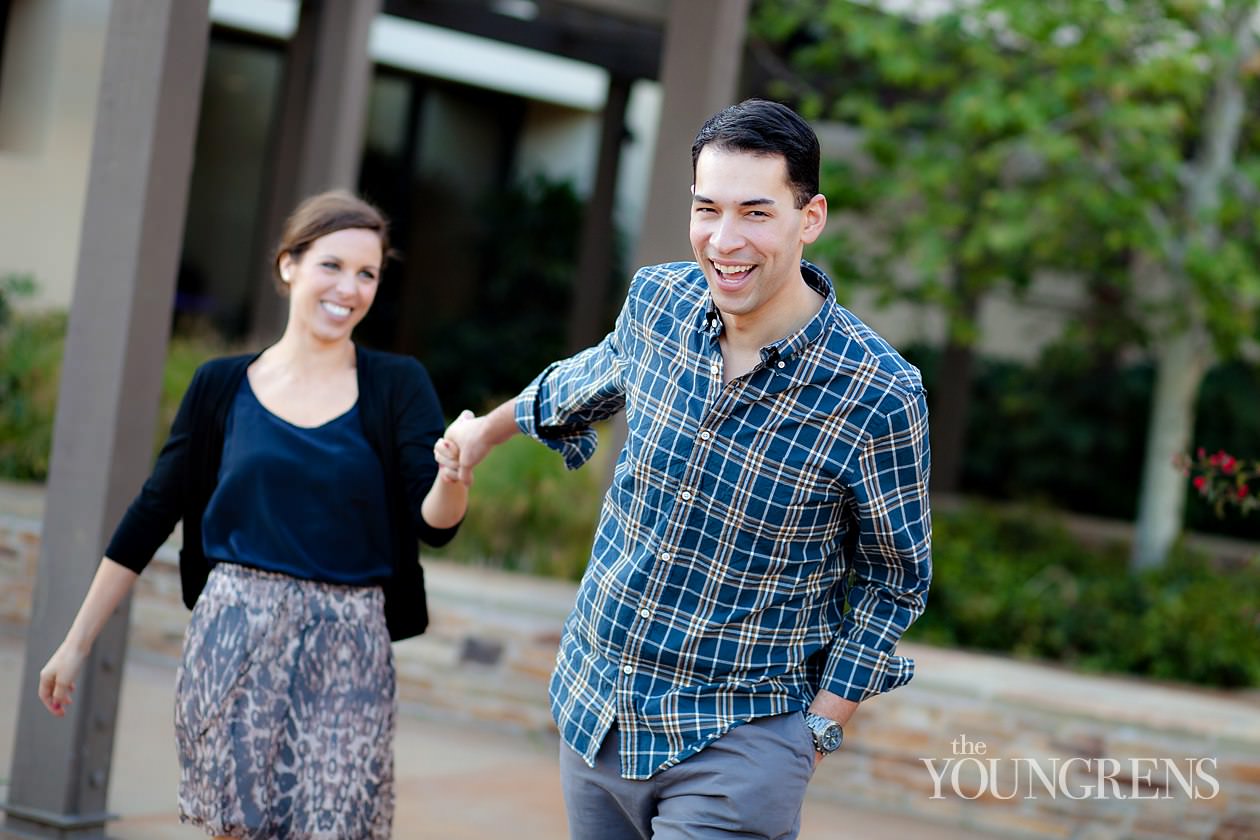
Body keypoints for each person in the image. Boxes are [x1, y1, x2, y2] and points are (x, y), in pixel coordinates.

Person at [440, 99, 932, 839]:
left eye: (756, 214)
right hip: (598, 709)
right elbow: (581, 382)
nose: (724, 241)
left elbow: (896, 578)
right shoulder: (659, 302)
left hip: (737, 741)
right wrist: (484, 434)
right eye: (708, 209)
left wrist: (820, 727)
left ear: (811, 217)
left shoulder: (878, 394)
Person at [37, 190, 469, 839]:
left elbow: (435, 524)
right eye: (332, 264)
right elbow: (153, 513)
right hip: (234, 633)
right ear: (288, 264)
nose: (349, 288)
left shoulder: (397, 385)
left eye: (367, 274)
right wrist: (74, 644)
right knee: (236, 829)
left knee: (337, 827)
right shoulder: (220, 385)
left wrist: (454, 472)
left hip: (347, 646)